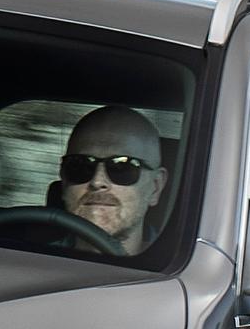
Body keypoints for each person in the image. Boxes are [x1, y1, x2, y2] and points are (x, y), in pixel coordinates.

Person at [55, 105, 167, 252]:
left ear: (155, 187)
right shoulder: (33, 260)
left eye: (122, 168)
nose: (97, 182)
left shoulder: (186, 268)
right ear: (64, 181)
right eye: (81, 166)